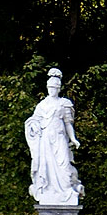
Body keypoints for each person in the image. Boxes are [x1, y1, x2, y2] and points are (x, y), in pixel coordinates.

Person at [25, 69, 84, 205]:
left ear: (58, 89)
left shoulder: (64, 104)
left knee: (64, 164)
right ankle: (48, 190)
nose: (52, 90)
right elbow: (33, 122)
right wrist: (33, 127)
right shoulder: (42, 105)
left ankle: (66, 191)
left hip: (59, 138)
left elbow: (68, 124)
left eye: (55, 88)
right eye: (50, 87)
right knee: (46, 166)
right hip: (46, 140)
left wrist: (73, 139)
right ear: (47, 88)